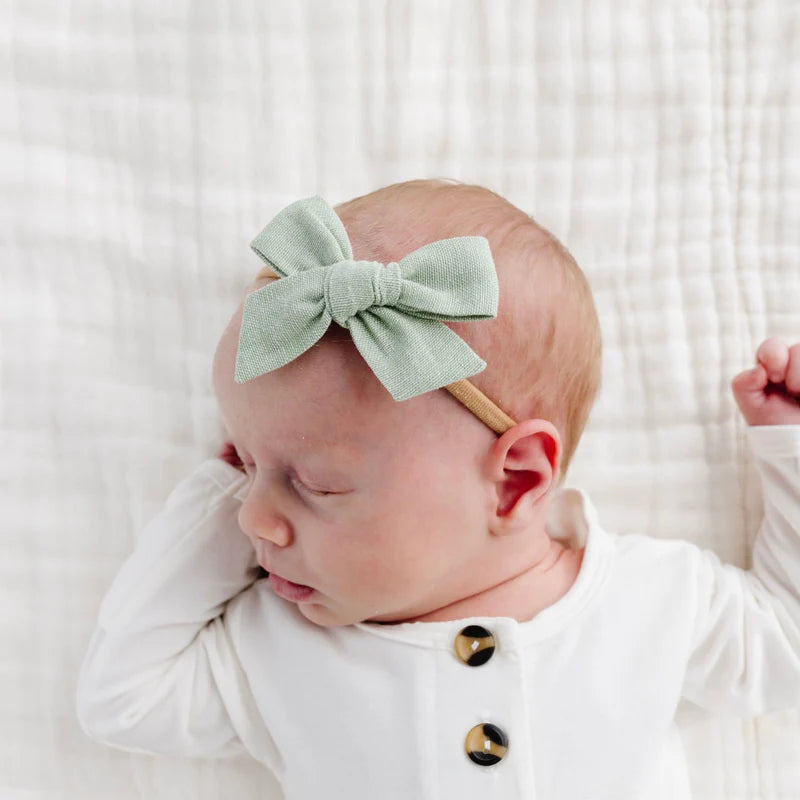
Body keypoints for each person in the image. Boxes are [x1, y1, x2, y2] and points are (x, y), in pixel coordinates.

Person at [76, 179, 800, 799]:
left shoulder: (652, 599)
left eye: (316, 485)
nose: (257, 520)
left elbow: (787, 647)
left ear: (515, 482)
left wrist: (790, 450)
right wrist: (214, 500)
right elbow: (122, 702)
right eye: (244, 462)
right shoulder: (281, 649)